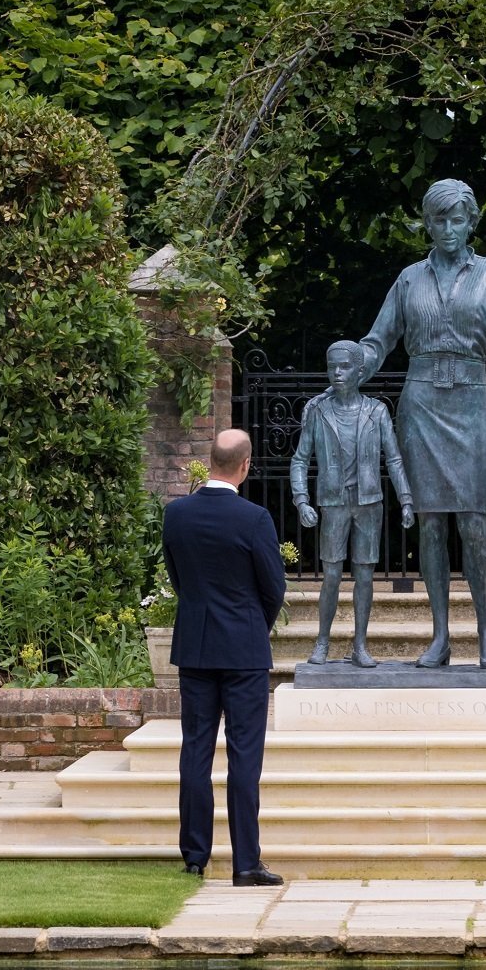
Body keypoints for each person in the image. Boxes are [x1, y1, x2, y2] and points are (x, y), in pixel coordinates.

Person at [356, 178, 486, 669]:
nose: (447, 228)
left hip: (470, 403)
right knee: (431, 523)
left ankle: (485, 631)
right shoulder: (409, 279)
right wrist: (355, 363)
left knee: (473, 523)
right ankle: (440, 636)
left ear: (471, 221)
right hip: (420, 405)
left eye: (456, 219)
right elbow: (379, 340)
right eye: (438, 219)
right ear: (427, 224)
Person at [161, 428, 287, 887]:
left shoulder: (176, 514)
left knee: (195, 750)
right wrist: (254, 623)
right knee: (244, 756)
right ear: (245, 466)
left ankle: (195, 855)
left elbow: (179, 580)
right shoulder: (254, 519)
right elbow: (274, 588)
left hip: (196, 647)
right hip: (245, 651)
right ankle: (246, 864)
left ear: (209, 460)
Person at [290, 339, 416, 667]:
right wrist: (302, 500)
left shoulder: (376, 411)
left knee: (364, 575)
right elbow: (300, 460)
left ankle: (360, 645)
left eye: (344, 366)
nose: (337, 373)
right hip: (333, 503)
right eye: (332, 367)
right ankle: (322, 641)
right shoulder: (318, 411)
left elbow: (395, 459)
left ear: (360, 371)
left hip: (368, 502)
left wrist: (405, 499)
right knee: (331, 575)